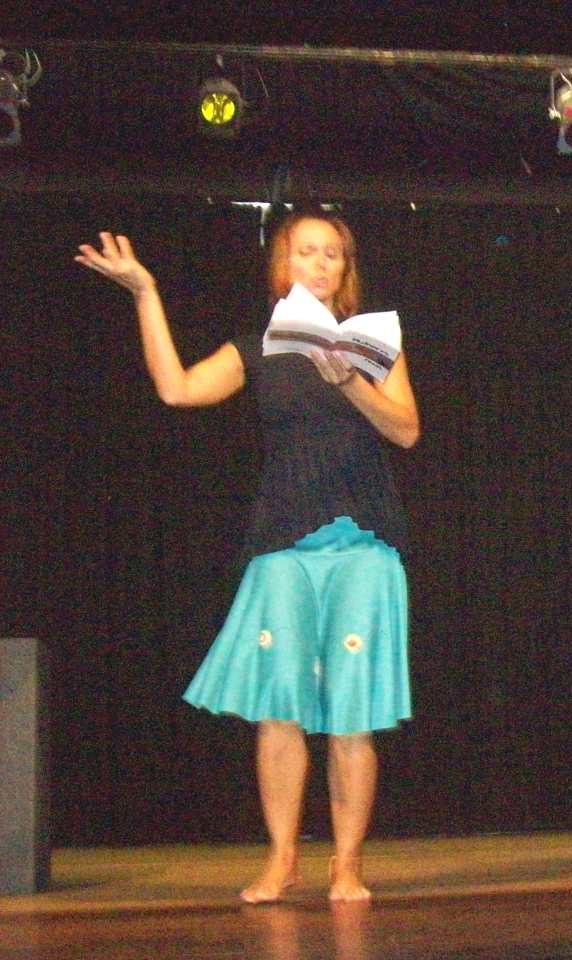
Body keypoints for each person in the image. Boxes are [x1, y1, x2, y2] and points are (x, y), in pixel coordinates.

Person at [75, 212, 420, 901]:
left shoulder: (373, 343)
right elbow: (176, 388)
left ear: (345, 270)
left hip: (364, 543)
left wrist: (351, 382)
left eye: (332, 255)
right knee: (278, 710)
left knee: (353, 715)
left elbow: (406, 431)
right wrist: (145, 292)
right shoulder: (255, 346)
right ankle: (282, 859)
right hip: (282, 541)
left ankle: (347, 865)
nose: (319, 263)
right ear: (282, 265)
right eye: (305, 252)